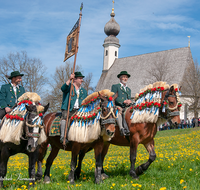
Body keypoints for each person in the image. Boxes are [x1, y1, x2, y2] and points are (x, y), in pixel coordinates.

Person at [60, 71, 87, 143]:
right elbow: (63, 88)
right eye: (80, 78)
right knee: (65, 118)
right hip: (68, 108)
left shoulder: (84, 91)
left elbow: (86, 101)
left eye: (82, 78)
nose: (82, 80)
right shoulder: (69, 87)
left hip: (79, 110)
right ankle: (63, 136)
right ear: (74, 79)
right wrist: (69, 79)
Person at [111, 71, 132, 136]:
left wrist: (129, 101)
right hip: (118, 105)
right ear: (120, 78)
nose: (125, 78)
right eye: (123, 77)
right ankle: (121, 129)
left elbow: (129, 98)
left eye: (126, 77)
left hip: (127, 106)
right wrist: (123, 101)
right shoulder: (115, 86)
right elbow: (114, 97)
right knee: (119, 110)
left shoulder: (129, 89)